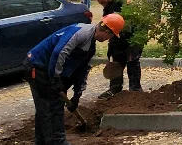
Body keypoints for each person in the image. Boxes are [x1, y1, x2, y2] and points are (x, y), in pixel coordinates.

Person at [25, 14, 125, 145]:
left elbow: (81, 71)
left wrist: (77, 95)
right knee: (47, 107)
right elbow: (59, 52)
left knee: (52, 105)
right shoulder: (81, 33)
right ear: (107, 32)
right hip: (37, 65)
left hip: (49, 69)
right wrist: (55, 78)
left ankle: (45, 142)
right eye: (110, 37)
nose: (107, 40)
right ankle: (56, 141)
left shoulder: (90, 46)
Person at [92, 0, 144, 97]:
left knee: (132, 63)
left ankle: (135, 92)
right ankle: (115, 89)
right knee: (115, 63)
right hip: (117, 39)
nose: (100, 1)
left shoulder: (122, 4)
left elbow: (132, 24)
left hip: (132, 38)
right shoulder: (107, 7)